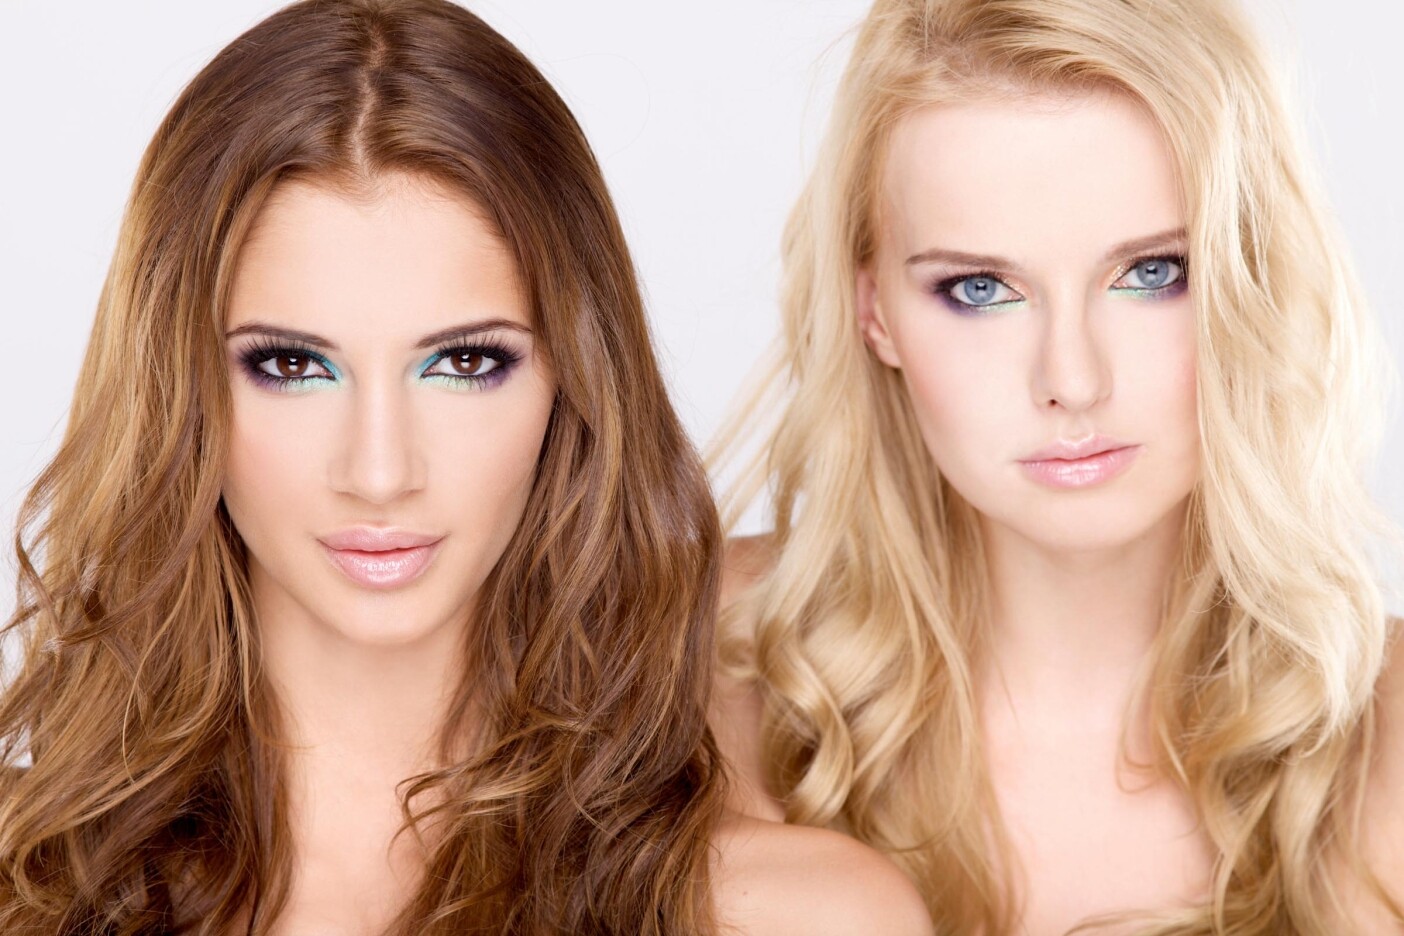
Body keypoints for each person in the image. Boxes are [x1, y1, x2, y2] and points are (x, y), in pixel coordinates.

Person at [0, 1, 931, 933]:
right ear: (178, 390)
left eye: (464, 362)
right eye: (291, 365)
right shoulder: (24, 883)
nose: (379, 471)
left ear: (574, 380)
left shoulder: (793, 913)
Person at [708, 0, 1404, 932]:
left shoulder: (1385, 743)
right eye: (980, 289)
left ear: (1254, 279)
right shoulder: (693, 663)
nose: (1072, 381)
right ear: (874, 313)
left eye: (1152, 274)